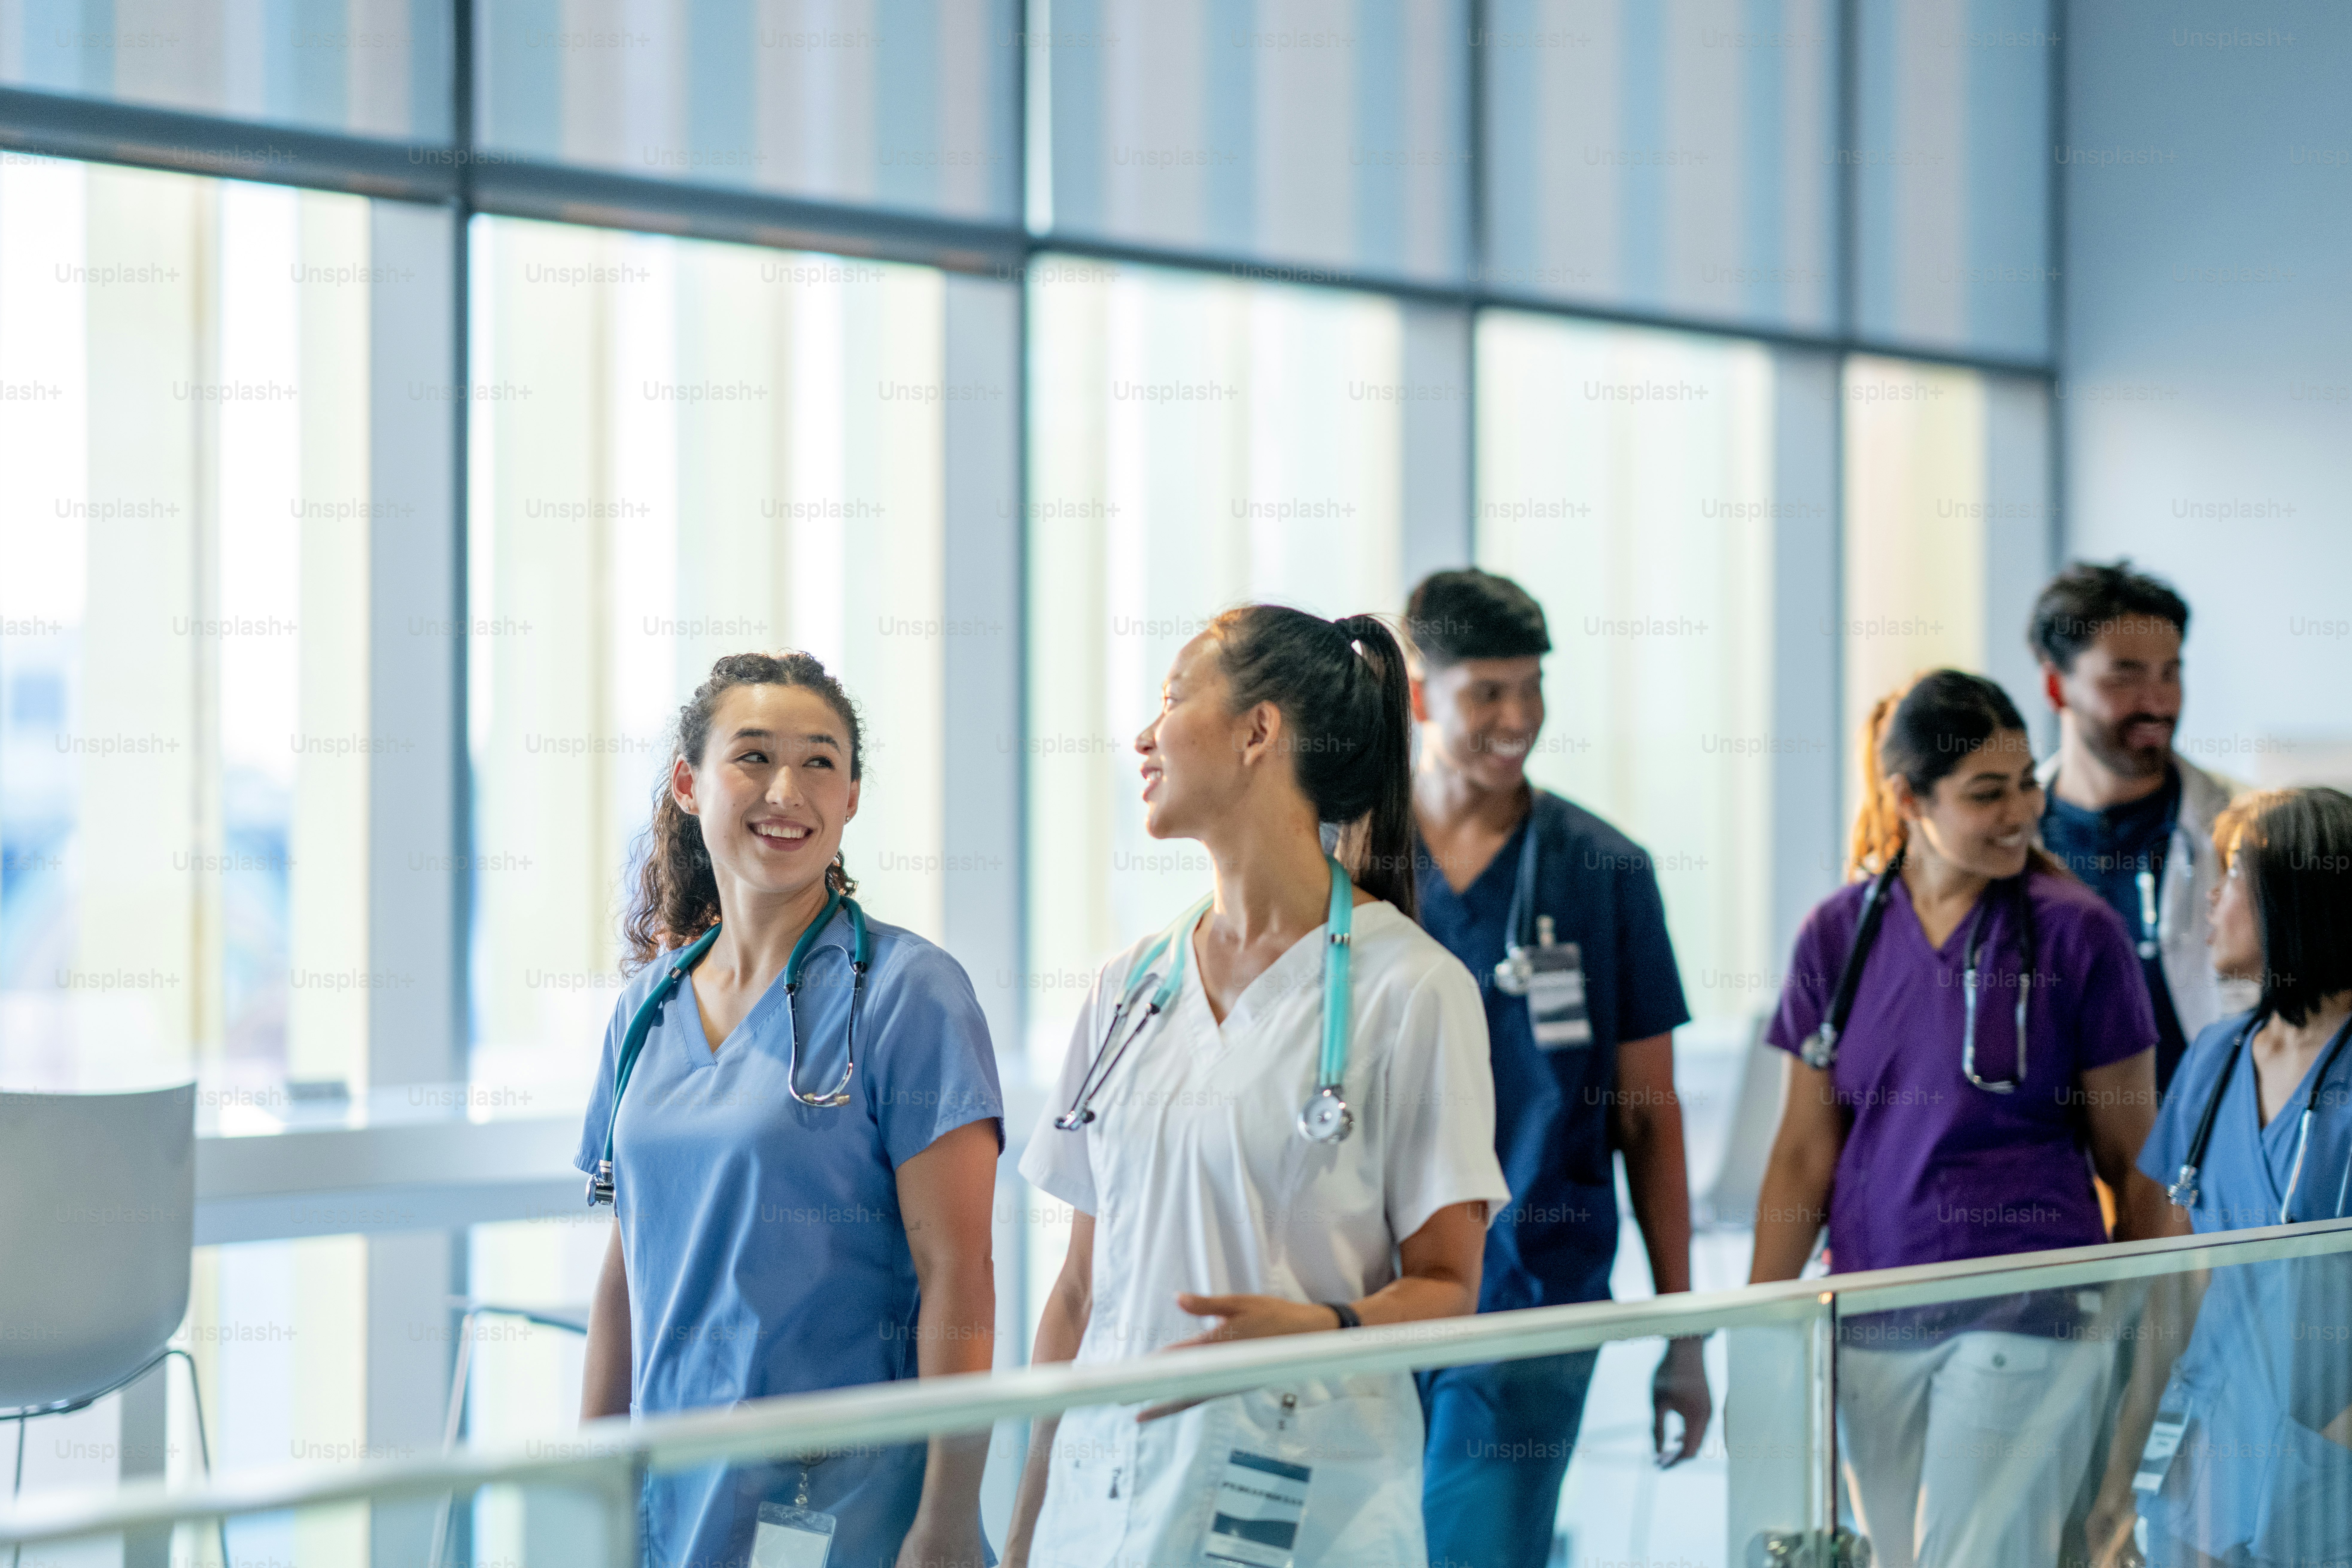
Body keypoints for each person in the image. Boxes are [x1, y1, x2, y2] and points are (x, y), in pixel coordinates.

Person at [1002, 607, 1510, 1568]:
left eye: (1171, 698)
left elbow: (1450, 1285)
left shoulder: (1412, 991)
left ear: (1258, 731)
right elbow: (1076, 1294)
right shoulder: (1127, 988)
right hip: (1098, 1505)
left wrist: (1318, 1326)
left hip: (1299, 1498)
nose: (1144, 736)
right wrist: (1026, 1530)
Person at [575, 652, 1002, 1568]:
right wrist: (593, 1489)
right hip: (672, 1501)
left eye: (820, 763)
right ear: (690, 785)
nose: (787, 790)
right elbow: (626, 1272)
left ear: (851, 799)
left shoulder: (908, 994)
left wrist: (948, 1517)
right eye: (753, 757)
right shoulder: (646, 1009)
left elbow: (959, 1275)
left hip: (847, 1505)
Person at [1750, 669, 2172, 1568]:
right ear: (1907, 798)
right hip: (1872, 1309)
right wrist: (1761, 1333)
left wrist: (2137, 1354)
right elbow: (1799, 1155)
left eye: (2025, 783)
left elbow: (2135, 1162)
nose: (2021, 810)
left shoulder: (2076, 934)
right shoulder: (1838, 934)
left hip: (2029, 1307)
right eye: (1988, 793)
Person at [1399, 569, 1711, 1568]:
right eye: (1487, 692)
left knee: (1474, 1547)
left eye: (1532, 689)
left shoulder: (1605, 871)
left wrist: (1686, 1335)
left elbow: (1650, 1116)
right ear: (1419, 695)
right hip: (1363, 1298)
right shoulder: (1350, 860)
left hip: (1534, 1292)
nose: (1519, 717)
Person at [2086, 787, 2352, 1568]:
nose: (2209, 897)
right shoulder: (2214, 1057)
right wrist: (2122, 1472)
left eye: (2231, 873)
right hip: (2205, 1440)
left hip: (2329, 1449)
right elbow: (2174, 1285)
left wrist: (2332, 1448)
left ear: (2292, 898)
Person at [2031, 560, 2247, 1094]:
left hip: (2204, 1153)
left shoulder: (2239, 827)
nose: (2158, 703)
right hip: (2058, 1162)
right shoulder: (2011, 839)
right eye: (2125, 675)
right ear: (2057, 687)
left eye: (2170, 673)